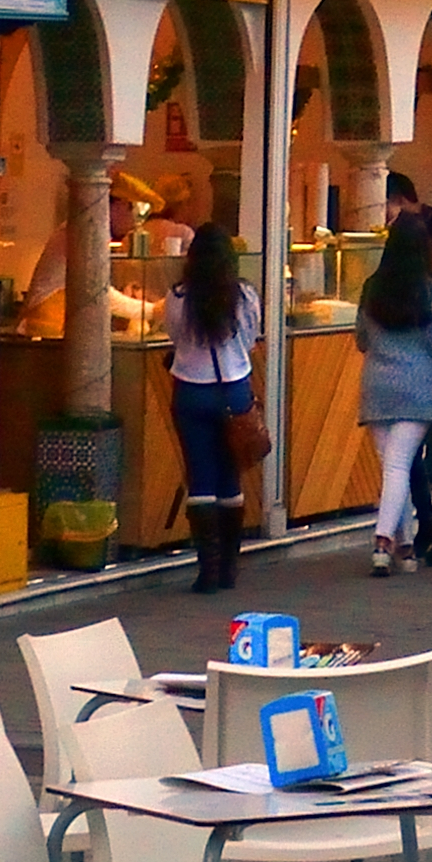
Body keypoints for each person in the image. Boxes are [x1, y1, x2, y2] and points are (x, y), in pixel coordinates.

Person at [351, 211, 432, 579]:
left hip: (377, 386)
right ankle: (383, 540)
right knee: (399, 467)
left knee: (392, 468)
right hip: (417, 388)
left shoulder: (372, 287)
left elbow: (361, 340)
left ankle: (405, 546)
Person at [164, 222, 261, 593]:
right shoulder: (244, 296)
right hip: (233, 390)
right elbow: (251, 338)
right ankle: (229, 568)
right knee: (230, 476)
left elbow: (173, 333)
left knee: (199, 475)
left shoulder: (178, 296)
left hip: (189, 389)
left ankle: (207, 569)